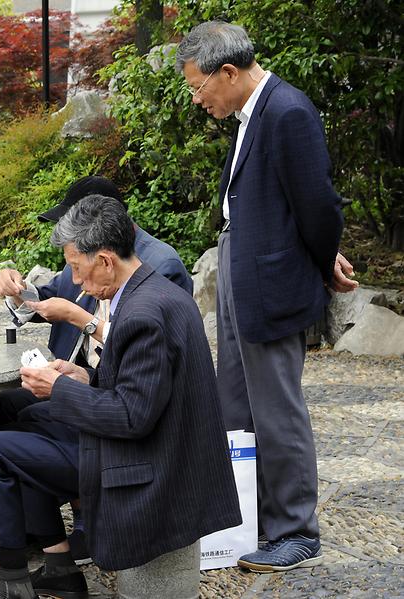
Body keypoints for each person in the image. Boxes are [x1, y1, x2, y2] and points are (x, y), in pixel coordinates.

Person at [0, 196, 241, 599]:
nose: (74, 281)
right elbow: (143, 387)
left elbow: (131, 417)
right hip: (161, 448)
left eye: (76, 267)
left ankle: (14, 583)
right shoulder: (151, 292)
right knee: (19, 415)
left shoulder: (141, 313)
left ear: (106, 260)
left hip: (148, 466)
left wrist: (60, 389)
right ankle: (54, 565)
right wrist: (84, 378)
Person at [176, 20, 358, 572]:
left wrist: (324, 259)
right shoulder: (250, 112)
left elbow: (318, 204)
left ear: (227, 72)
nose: (197, 99)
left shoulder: (287, 111)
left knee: (275, 408)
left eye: (197, 87)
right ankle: (247, 519)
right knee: (235, 402)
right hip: (241, 266)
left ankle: (296, 530)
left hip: (272, 280)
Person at [0, 177, 194, 563]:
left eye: (71, 226)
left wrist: (81, 319)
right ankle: (40, 522)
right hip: (87, 377)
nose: (76, 274)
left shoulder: (158, 267)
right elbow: (48, 296)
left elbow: (149, 353)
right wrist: (16, 288)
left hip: (123, 403)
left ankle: (82, 515)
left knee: (7, 437)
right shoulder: (82, 257)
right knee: (7, 407)